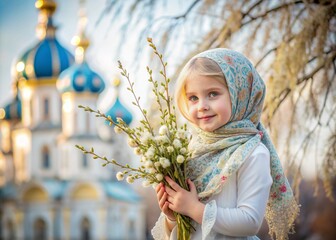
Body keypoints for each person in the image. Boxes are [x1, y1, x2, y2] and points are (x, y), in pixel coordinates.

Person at [151, 48, 299, 240]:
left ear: (240, 95)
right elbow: (191, 229)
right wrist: (173, 216)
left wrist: (193, 208)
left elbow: (250, 221)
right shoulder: (189, 150)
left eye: (213, 94)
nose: (202, 105)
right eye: (193, 98)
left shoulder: (252, 153)